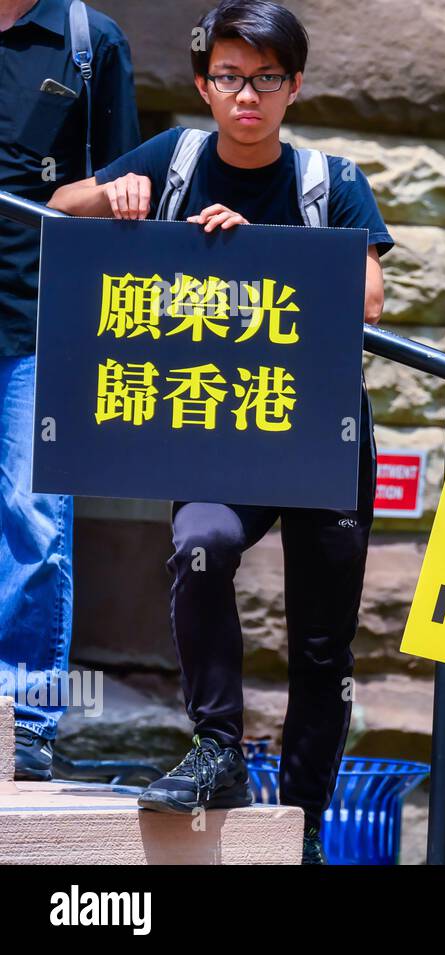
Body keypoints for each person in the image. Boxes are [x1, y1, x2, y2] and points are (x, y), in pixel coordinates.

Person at [49, 0, 392, 864]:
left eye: (266, 78)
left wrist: (257, 251)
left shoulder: (330, 180)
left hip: (317, 433)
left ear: (294, 87)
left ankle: (304, 824)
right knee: (201, 544)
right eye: (230, 77)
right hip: (217, 429)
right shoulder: (174, 157)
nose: (248, 95)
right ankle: (217, 748)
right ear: (204, 84)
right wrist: (114, 192)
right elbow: (60, 206)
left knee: (322, 647)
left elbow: (369, 297)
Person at [1, 0, 138, 781]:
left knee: (32, 520)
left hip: (39, 321)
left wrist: (81, 198)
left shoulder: (90, 41)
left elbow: (129, 182)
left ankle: (22, 719)